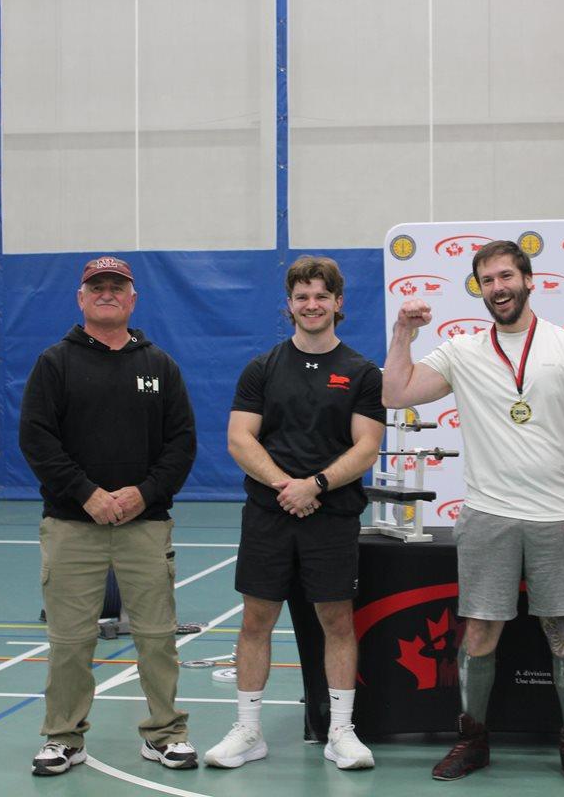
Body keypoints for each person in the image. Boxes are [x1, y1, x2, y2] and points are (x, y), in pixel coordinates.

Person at [382, 239, 564, 787]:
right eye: (487, 280)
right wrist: (403, 333)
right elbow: (395, 394)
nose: (498, 288)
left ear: (529, 280)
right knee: (479, 630)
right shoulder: (462, 351)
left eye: (506, 276)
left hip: (559, 516)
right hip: (488, 515)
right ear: (480, 289)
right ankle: (472, 740)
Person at [19, 256, 198, 775]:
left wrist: (145, 493)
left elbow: (181, 442)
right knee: (70, 641)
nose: (106, 293)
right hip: (72, 526)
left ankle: (165, 734)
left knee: (157, 637)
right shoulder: (55, 363)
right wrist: (87, 494)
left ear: (132, 299)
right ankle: (63, 737)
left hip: (145, 526)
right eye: (96, 286)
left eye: (116, 287)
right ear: (81, 298)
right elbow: (37, 438)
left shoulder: (159, 366)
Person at [204, 256, 384, 771]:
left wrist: (316, 485)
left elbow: (366, 446)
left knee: (337, 620)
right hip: (270, 514)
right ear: (289, 304)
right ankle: (248, 731)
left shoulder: (361, 373)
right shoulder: (262, 368)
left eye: (321, 296)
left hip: (332, 516)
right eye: (302, 296)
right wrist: (287, 487)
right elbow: (240, 439)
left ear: (338, 302)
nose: (312, 305)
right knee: (255, 620)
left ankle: (341, 732)